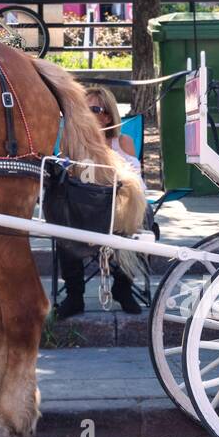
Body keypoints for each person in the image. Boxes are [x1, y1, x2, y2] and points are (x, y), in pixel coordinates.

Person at [55, 87, 143, 318]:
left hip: (120, 207)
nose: (86, 114)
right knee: (63, 227)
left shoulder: (122, 142)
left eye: (93, 109)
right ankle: (75, 296)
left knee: (141, 223)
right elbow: (66, 176)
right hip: (85, 208)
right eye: (82, 109)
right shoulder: (72, 143)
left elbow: (135, 180)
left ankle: (123, 289)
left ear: (107, 115)